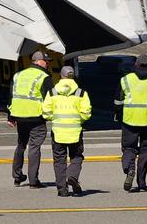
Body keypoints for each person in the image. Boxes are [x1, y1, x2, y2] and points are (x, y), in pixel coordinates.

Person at [113, 53, 147, 192]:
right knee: (145, 152)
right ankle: (142, 183)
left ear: (135, 65)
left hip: (130, 120)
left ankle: (129, 168)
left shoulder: (125, 80)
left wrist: (120, 116)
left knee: (129, 148)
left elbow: (118, 102)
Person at [41, 66, 92, 197]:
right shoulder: (80, 92)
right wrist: (78, 120)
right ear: (73, 77)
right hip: (75, 130)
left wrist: (55, 118)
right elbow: (86, 112)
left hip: (58, 131)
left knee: (59, 160)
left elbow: (46, 112)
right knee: (77, 156)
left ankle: (62, 190)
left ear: (61, 76)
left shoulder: (52, 92)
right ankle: (72, 175)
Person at [8, 50, 55, 188]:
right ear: (38, 61)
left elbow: (11, 95)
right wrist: (52, 115)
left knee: (21, 145)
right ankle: (33, 181)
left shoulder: (18, 75)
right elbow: (51, 98)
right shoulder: (43, 76)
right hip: (36, 116)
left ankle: (17, 177)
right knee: (34, 148)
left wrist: (10, 116)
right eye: (46, 61)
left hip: (19, 115)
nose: (47, 64)